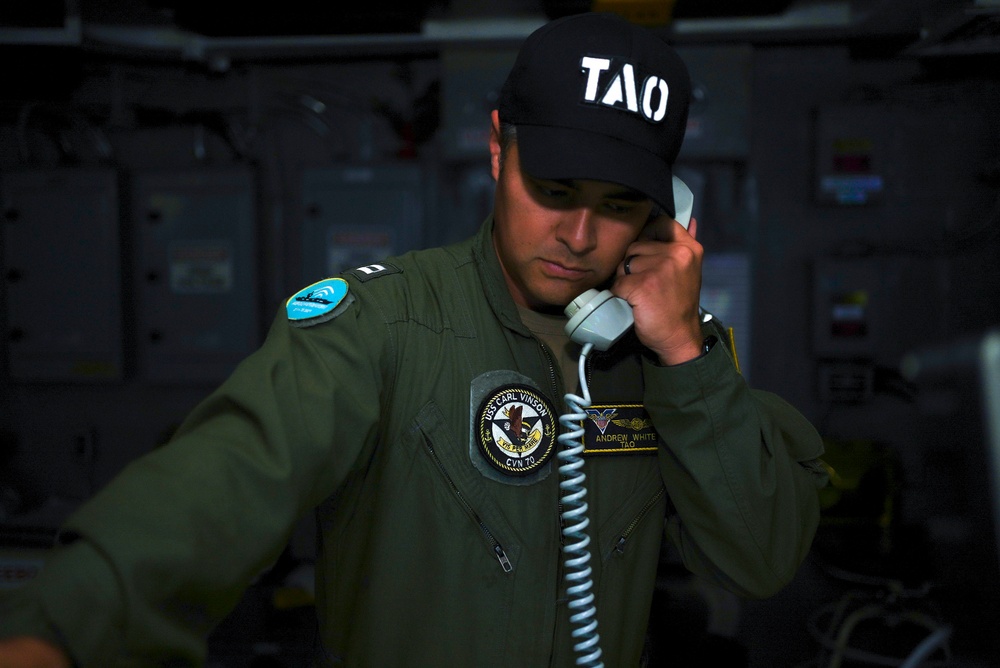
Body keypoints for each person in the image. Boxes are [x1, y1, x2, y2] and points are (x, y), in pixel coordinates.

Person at [0, 12, 827, 667]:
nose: (578, 234)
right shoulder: (379, 322)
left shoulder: (673, 357)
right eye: (554, 188)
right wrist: (66, 630)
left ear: (663, 212)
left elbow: (761, 560)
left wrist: (685, 356)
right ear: (498, 147)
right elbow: (230, 472)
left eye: (617, 205)